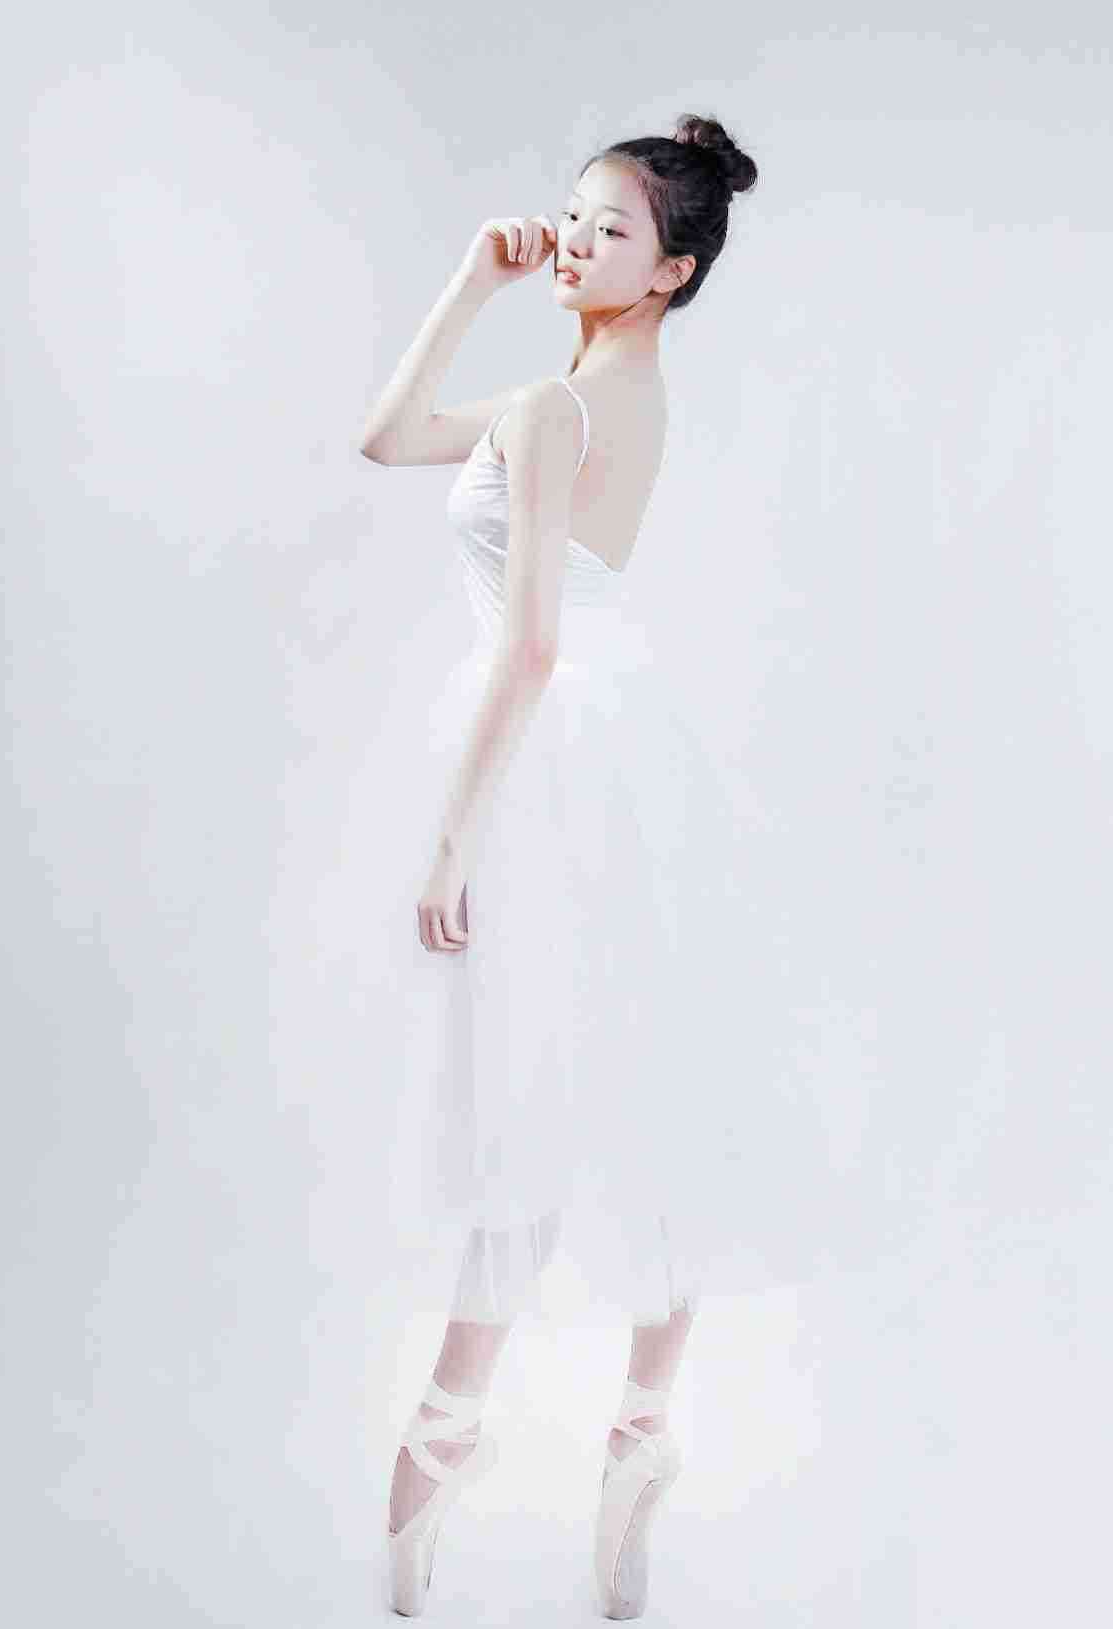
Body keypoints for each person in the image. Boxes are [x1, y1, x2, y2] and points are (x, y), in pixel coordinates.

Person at [359, 114, 760, 1617]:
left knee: (522, 1099)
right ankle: (640, 1432)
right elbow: (393, 438)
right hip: (628, 756)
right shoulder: (614, 400)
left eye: (610, 230)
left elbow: (526, 648)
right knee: (635, 1084)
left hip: (544, 762)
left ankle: (440, 1444)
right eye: (572, 216)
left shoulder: (549, 406)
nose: (574, 242)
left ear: (670, 272)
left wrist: (451, 840)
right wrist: (474, 280)